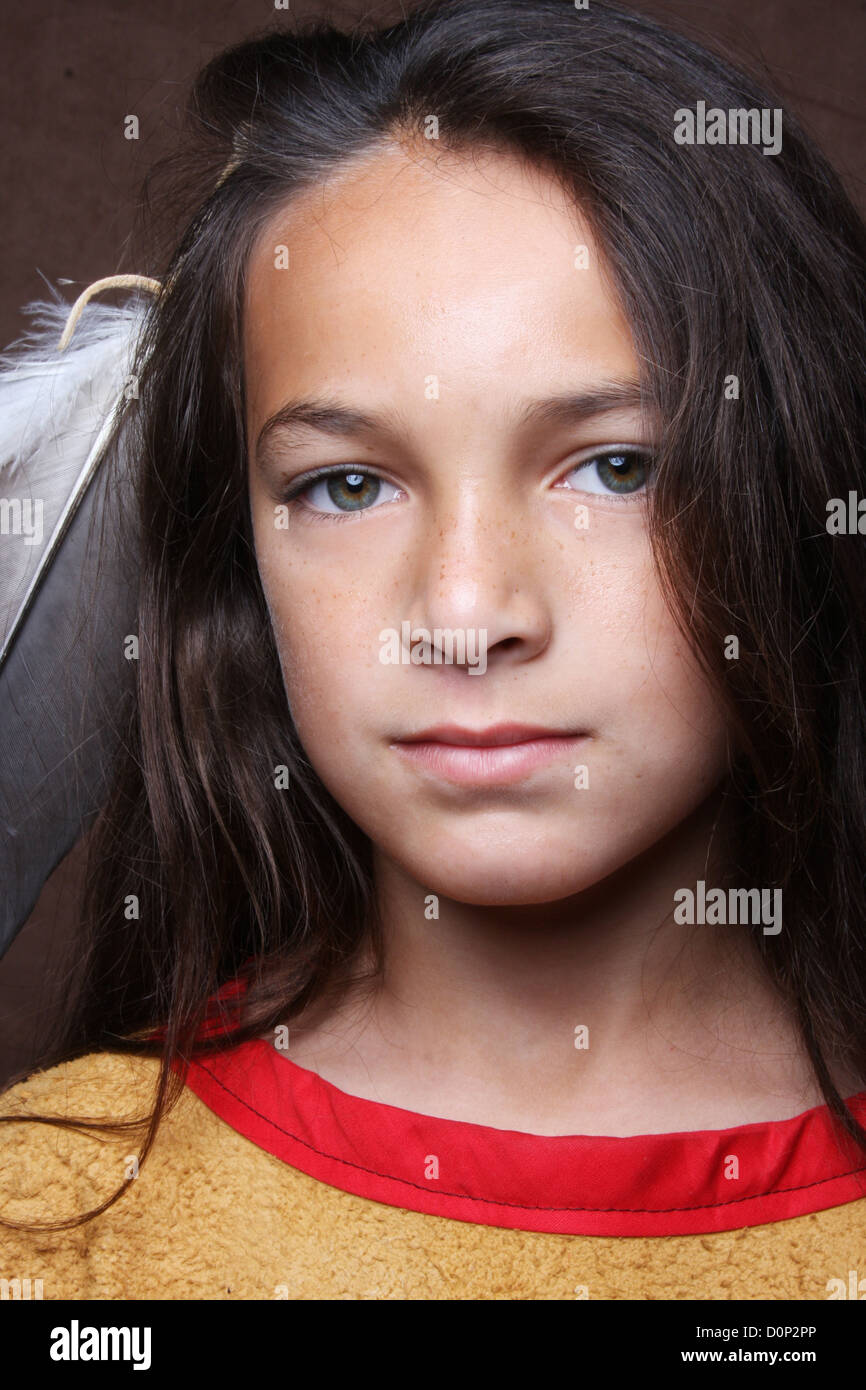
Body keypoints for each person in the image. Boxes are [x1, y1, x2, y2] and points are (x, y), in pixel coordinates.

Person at [1, 0, 865, 1300]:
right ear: (238, 555)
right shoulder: (45, 1231)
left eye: (613, 466)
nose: (462, 614)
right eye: (346, 486)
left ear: (797, 486)